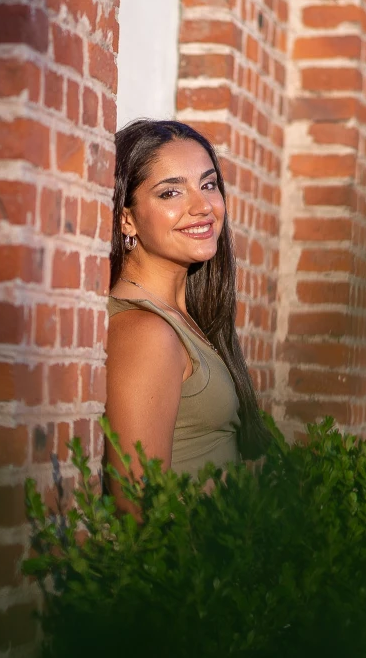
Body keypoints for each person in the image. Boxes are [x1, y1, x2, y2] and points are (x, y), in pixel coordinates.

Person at [105, 119, 270, 484]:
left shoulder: (181, 318)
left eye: (208, 185)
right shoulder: (146, 333)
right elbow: (137, 507)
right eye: (170, 193)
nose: (204, 207)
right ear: (126, 219)